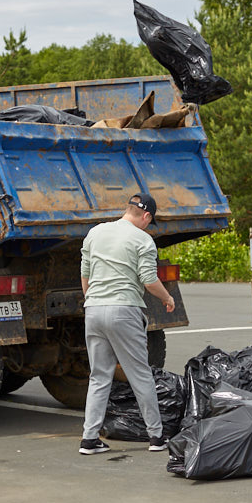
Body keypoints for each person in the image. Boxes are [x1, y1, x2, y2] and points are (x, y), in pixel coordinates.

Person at [78, 193, 176, 455]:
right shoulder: (142, 239)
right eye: (150, 221)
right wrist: (167, 298)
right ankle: (156, 437)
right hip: (124, 310)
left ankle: (89, 439)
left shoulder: (95, 233)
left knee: (99, 376)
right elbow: (149, 279)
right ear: (146, 216)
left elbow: (85, 274)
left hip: (93, 310)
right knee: (140, 374)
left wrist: (94, 301)